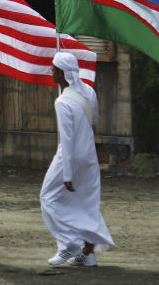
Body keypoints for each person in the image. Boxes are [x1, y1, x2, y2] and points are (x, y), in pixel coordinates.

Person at [40, 52, 114, 267]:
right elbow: (95, 119)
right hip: (89, 156)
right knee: (86, 203)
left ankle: (68, 245)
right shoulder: (89, 91)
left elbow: (68, 139)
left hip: (69, 157)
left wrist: (67, 174)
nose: (51, 71)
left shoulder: (62, 101)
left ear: (63, 73)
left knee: (48, 198)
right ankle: (87, 254)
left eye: (54, 68)